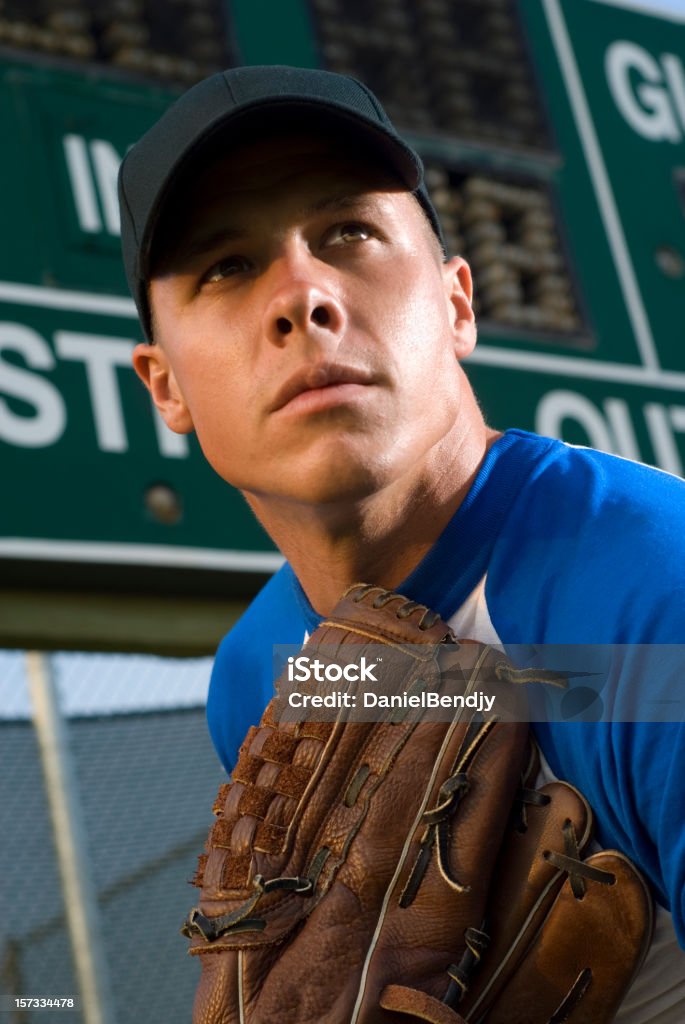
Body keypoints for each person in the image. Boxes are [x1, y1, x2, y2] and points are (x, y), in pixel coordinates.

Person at [118, 65, 685, 1020]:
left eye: (348, 233)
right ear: (164, 385)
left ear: (458, 303)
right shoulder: (255, 673)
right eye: (227, 265)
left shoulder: (653, 590)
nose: (302, 296)